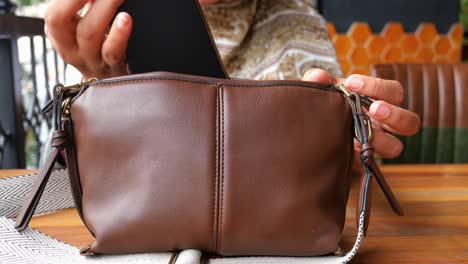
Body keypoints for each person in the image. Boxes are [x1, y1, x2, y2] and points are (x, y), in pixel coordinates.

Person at [43, 0, 420, 164]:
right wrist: (102, 95)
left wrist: (345, 135)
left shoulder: (296, 19)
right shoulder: (101, 25)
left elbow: (339, 155)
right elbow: (63, 172)